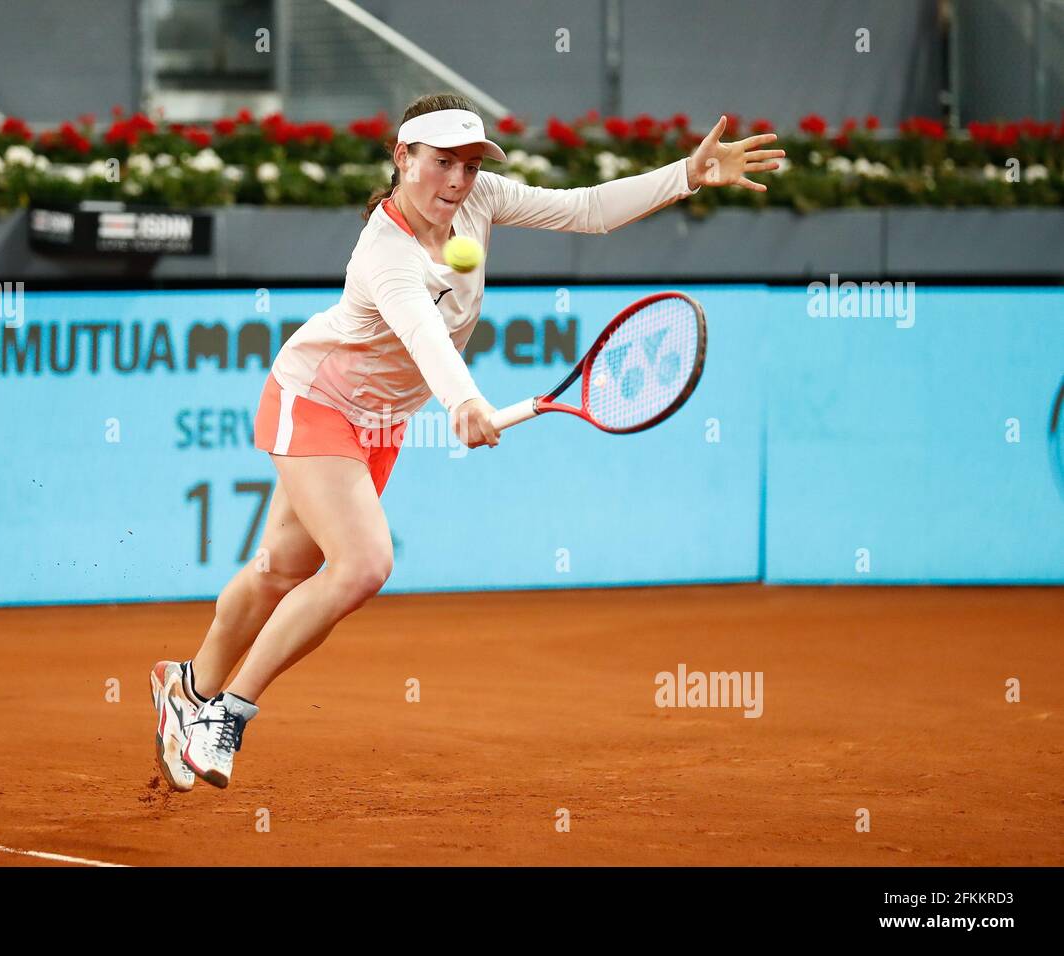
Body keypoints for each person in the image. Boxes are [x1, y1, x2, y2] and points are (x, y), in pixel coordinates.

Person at [151, 92, 783, 790]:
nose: (457, 181)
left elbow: (585, 210)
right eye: (442, 163)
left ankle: (186, 687)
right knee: (362, 566)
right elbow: (425, 337)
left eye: (471, 165)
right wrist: (465, 401)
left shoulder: (477, 203)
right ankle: (227, 715)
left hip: (380, 422)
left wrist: (685, 176)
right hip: (317, 399)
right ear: (403, 158)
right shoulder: (383, 256)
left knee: (280, 569)